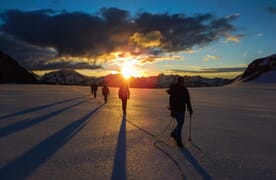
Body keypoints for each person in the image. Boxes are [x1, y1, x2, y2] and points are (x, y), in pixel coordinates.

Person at [167, 76, 193, 147]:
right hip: (176, 110)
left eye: (182, 81)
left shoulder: (185, 90)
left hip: (182, 109)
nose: (181, 83)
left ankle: (174, 133)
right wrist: (172, 110)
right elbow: (171, 101)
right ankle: (178, 139)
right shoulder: (175, 89)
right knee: (180, 124)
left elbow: (187, 100)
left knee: (180, 123)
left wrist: (190, 108)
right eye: (180, 81)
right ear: (178, 82)